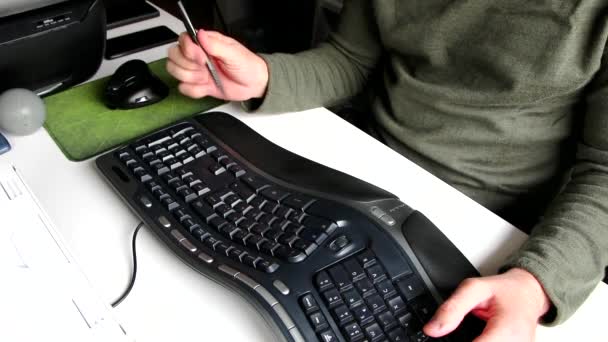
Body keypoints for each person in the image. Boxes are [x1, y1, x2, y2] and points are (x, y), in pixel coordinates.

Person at [166, 1, 608, 340]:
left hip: (486, 222)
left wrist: (535, 284)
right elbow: (351, 59)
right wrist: (265, 77)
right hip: (361, 171)